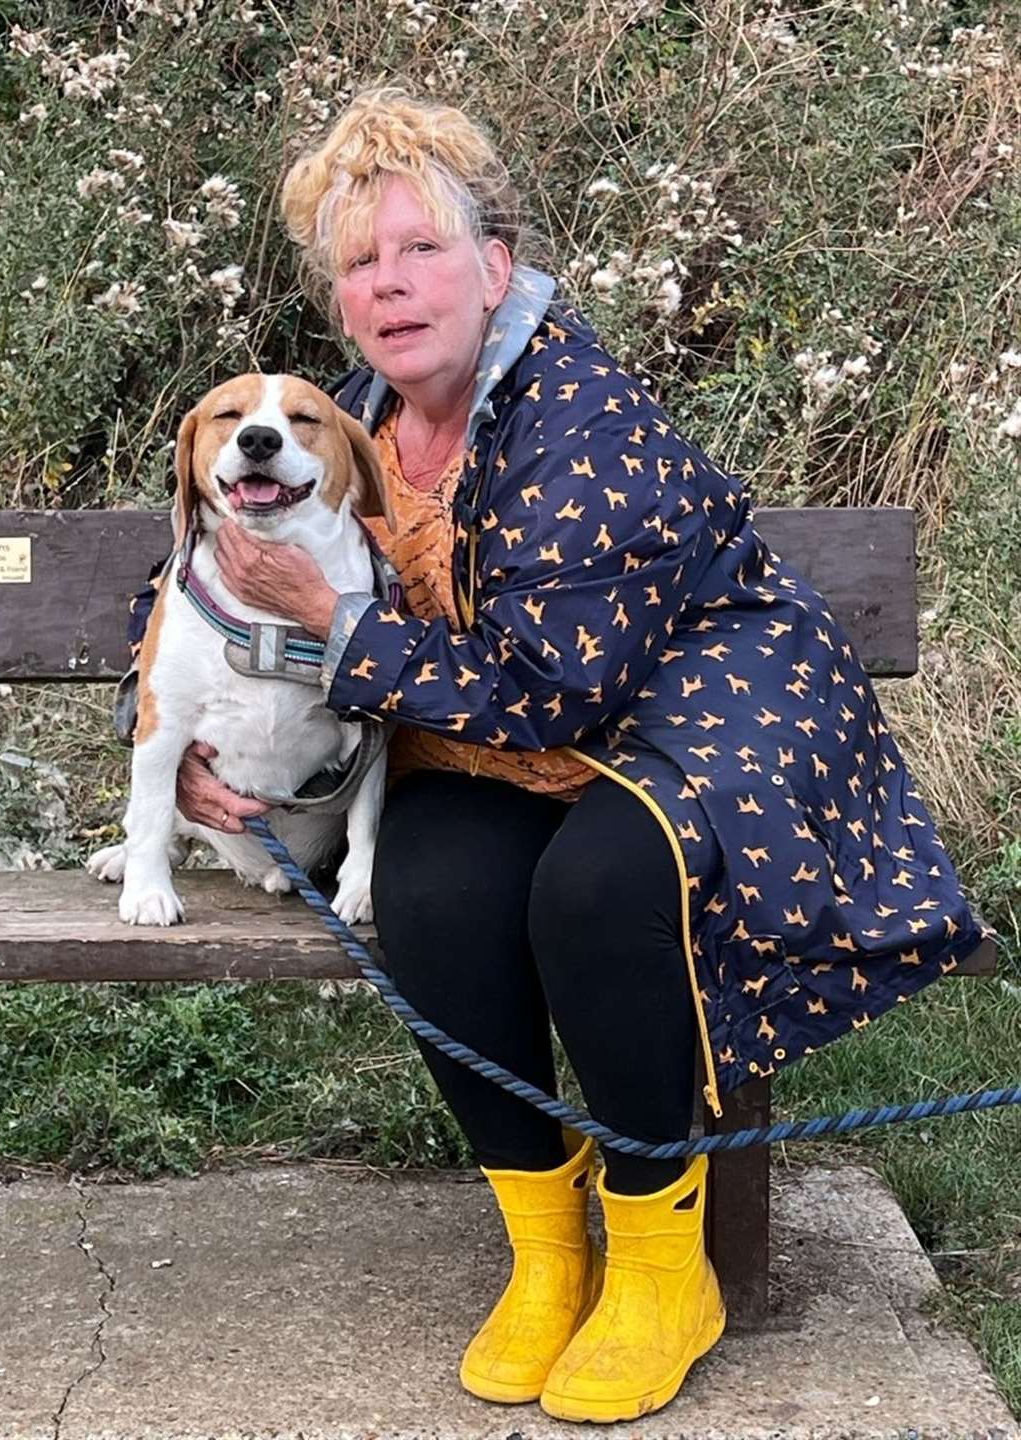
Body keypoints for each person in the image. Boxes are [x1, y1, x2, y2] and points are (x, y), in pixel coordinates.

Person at [131, 88, 985, 1422]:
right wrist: (187, 736)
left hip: (702, 714)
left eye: (421, 249)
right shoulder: (346, 417)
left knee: (592, 891)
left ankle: (660, 1263)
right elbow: (202, 572)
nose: (392, 285)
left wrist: (334, 629)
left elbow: (554, 695)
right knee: (434, 894)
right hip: (492, 725)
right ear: (342, 306)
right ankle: (548, 1251)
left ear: (496, 267)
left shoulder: (576, 421)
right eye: (361, 264)